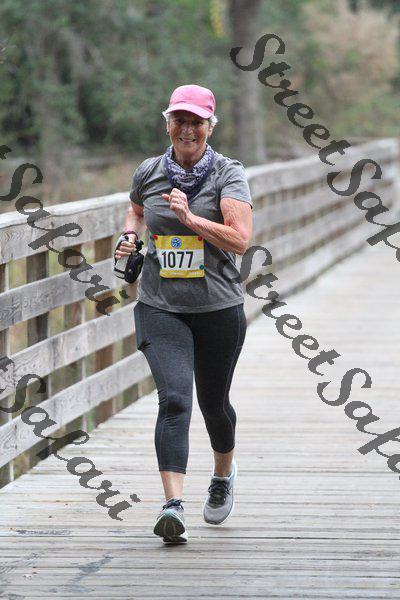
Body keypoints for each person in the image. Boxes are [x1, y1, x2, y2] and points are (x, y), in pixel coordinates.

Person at [115, 84, 253, 544]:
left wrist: (191, 220)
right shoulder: (149, 171)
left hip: (217, 306)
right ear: (168, 124)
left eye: (196, 122)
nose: (187, 129)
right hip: (160, 305)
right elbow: (136, 211)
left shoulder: (228, 174)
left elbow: (240, 240)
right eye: (180, 120)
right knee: (175, 400)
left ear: (210, 127)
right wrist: (130, 237)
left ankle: (223, 474)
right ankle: (172, 506)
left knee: (214, 404)